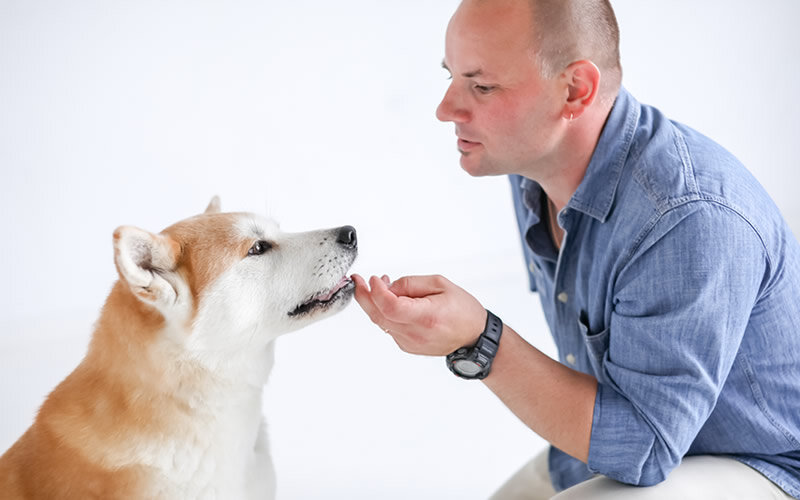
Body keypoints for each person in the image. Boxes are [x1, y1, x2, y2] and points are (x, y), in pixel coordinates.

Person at [352, 0, 800, 498]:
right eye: (451, 76)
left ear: (574, 90)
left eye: (481, 86)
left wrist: (480, 341)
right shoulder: (535, 170)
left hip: (762, 466)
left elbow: (645, 448)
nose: (445, 109)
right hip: (616, 449)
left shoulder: (685, 218)